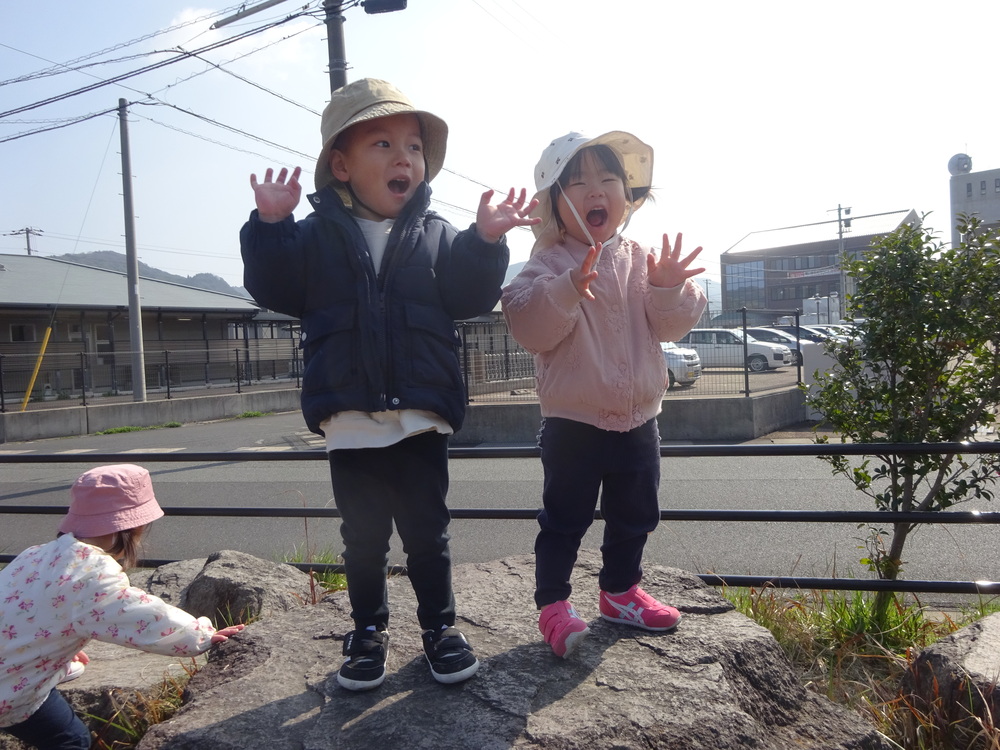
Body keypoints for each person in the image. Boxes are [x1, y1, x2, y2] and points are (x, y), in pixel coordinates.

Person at [240, 78, 538, 691]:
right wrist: (271, 224)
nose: (404, 157)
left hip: (421, 413)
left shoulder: (437, 234)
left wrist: (486, 242)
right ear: (341, 166)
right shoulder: (312, 236)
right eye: (382, 143)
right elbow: (273, 287)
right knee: (364, 538)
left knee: (428, 531)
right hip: (349, 414)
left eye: (413, 146)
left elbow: (469, 296)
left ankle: (440, 628)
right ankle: (368, 632)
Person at [501, 131, 708, 658]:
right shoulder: (545, 265)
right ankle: (553, 606)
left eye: (608, 179)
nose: (596, 190)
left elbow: (671, 326)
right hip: (573, 422)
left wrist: (665, 287)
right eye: (578, 183)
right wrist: (569, 285)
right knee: (564, 519)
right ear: (556, 205)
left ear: (627, 196)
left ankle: (620, 592)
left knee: (636, 513)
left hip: (640, 417)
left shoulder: (641, 258)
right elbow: (529, 325)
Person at [0, 464, 244, 750]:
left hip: (13, 666)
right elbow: (144, 617)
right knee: (70, 739)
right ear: (134, 526)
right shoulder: (94, 574)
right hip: (9, 688)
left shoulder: (37, 554)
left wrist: (53, 644)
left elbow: (23, 610)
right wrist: (200, 635)